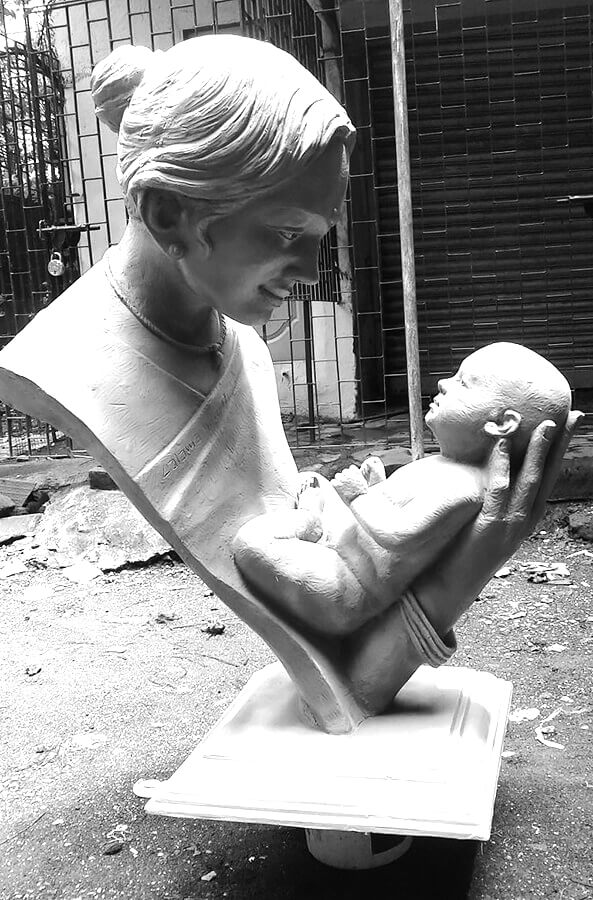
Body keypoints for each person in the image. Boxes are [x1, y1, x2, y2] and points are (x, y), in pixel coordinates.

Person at [0, 35, 581, 731]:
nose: (311, 270)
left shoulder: (242, 347)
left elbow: (349, 676)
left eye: (321, 234)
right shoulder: (67, 366)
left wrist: (467, 565)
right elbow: (347, 665)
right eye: (285, 232)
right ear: (167, 215)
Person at [233, 342, 572, 637]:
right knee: (315, 481)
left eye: (463, 383)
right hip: (346, 549)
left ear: (501, 423)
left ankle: (310, 522)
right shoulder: (446, 466)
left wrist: (359, 496)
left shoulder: (465, 489)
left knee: (252, 542)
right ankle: (313, 523)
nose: (442, 383)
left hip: (347, 585)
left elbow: (400, 535)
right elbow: (399, 511)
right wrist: (376, 486)